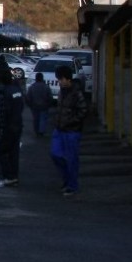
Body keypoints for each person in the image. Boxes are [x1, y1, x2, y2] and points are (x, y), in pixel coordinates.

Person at [50, 66, 86, 196]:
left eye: (61, 79)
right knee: (56, 154)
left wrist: (71, 121)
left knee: (71, 159)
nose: (59, 81)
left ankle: (71, 185)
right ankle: (67, 180)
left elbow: (83, 111)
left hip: (71, 131)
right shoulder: (62, 92)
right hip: (60, 129)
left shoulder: (77, 93)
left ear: (67, 79)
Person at [25, 69, 54, 138]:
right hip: (44, 106)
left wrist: (30, 104)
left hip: (34, 106)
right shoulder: (46, 87)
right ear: (42, 78)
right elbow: (50, 97)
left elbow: (28, 97)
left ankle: (37, 131)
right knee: (43, 119)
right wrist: (49, 104)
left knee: (36, 119)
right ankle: (41, 131)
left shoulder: (32, 87)